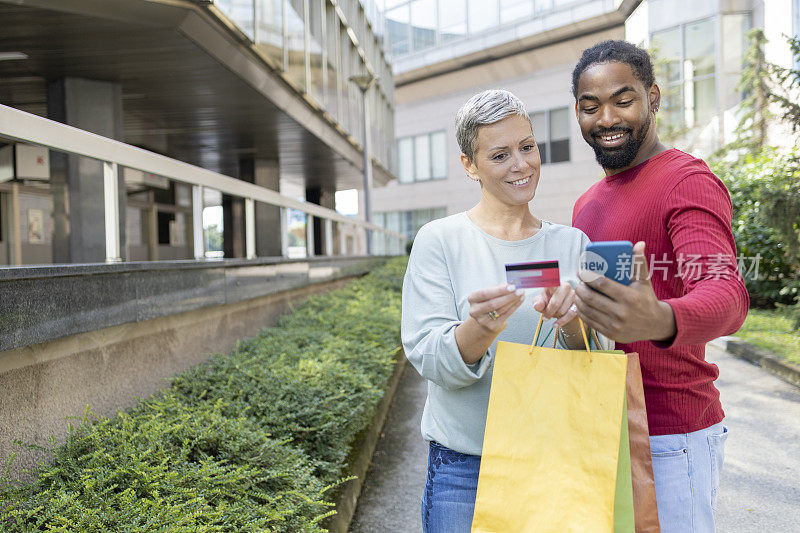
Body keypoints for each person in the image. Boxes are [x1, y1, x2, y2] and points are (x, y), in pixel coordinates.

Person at [569, 40, 750, 532]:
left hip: (671, 436)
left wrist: (662, 319)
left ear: (653, 98)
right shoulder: (587, 203)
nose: (606, 117)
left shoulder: (685, 180)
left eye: (622, 100)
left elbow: (725, 291)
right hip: (605, 429)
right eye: (590, 106)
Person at [401, 89, 599, 532]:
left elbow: (595, 354)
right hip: (466, 469)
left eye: (527, 147)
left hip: (555, 461)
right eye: (500, 154)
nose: (521, 164)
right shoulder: (440, 241)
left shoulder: (572, 244)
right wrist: (480, 328)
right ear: (470, 165)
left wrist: (571, 323)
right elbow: (428, 355)